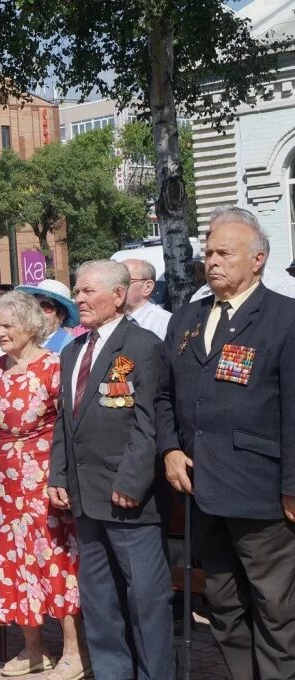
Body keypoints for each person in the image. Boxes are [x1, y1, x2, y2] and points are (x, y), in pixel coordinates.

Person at [158, 208, 295, 680]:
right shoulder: (187, 319)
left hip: (263, 495)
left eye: (224, 253)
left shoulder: (285, 318)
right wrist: (170, 448)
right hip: (202, 490)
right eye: (208, 253)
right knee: (223, 603)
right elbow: (164, 395)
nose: (212, 261)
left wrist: (292, 486)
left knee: (276, 608)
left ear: (257, 259)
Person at [49, 260, 172, 680]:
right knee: (99, 599)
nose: (79, 299)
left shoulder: (142, 345)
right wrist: (59, 476)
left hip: (127, 499)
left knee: (145, 600)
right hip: (85, 498)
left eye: (88, 291)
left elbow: (148, 422)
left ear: (118, 296)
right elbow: (66, 422)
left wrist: (133, 481)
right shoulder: (72, 351)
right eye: (77, 291)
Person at [0, 292, 85, 679]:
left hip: (43, 481)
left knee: (55, 562)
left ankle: (76, 653)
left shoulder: (53, 367)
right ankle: (34, 649)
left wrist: (58, 478)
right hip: (5, 486)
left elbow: (68, 427)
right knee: (16, 564)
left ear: (30, 326)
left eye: (8, 325)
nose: (1, 332)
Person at [15, 279, 81, 353]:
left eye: (46, 306)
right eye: (35, 304)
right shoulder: (24, 341)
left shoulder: (71, 346)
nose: (38, 311)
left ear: (62, 314)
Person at [121, 259, 172, 340]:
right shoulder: (110, 320)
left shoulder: (167, 324)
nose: (116, 287)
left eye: (124, 281)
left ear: (147, 287)